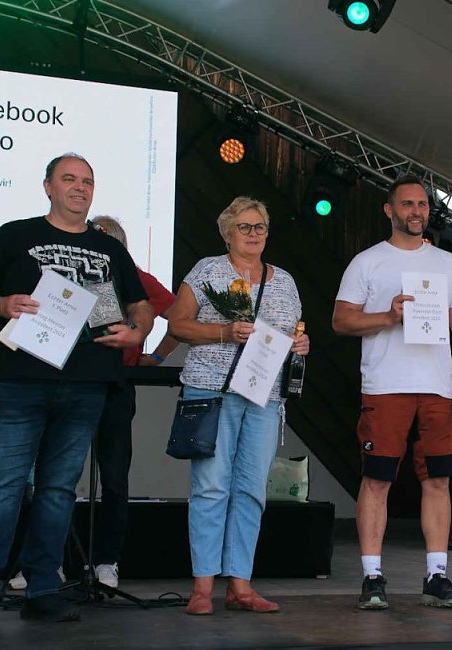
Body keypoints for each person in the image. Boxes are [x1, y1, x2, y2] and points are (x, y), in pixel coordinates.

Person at [0, 153, 154, 629]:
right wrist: (0, 303)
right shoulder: (13, 235)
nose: (80, 188)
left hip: (86, 385)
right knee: (1, 488)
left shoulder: (109, 249)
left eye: (88, 181)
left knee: (58, 491)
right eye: (69, 179)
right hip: (19, 381)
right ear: (48, 186)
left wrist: (137, 331)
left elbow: (141, 304)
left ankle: (42, 589)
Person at [332, 174, 452, 611]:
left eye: (422, 204)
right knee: (377, 478)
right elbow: (341, 320)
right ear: (389, 210)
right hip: (386, 385)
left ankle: (437, 575)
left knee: (438, 479)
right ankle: (372, 577)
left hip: (437, 386)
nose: (417, 211)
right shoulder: (368, 262)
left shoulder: (445, 263)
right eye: (408, 204)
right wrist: (388, 316)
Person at [168, 196, 309, 615]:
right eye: (244, 227)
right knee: (212, 486)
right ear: (227, 233)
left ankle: (240, 585)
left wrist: (301, 344)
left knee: (251, 489)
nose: (253, 234)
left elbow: (292, 333)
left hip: (264, 396)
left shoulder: (285, 281)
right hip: (212, 390)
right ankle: (202, 586)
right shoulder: (208, 270)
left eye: (260, 226)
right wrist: (225, 332)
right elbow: (177, 325)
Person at [88, 215, 180, 589]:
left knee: (113, 477)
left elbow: (180, 318)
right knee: (56, 477)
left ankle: (107, 561)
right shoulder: (71, 274)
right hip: (70, 384)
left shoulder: (138, 278)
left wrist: (155, 357)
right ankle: (45, 564)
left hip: (117, 385)